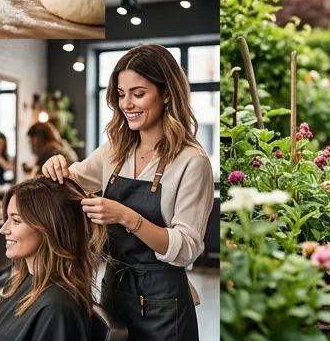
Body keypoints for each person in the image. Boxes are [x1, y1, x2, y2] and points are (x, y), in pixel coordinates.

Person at [43, 44, 212, 341]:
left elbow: (187, 247)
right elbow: (70, 185)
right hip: (114, 292)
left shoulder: (191, 161)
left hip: (164, 303)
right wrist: (55, 166)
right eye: (121, 95)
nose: (126, 104)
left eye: (138, 93)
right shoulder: (116, 150)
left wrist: (127, 217)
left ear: (167, 94)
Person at [0, 176, 101, 340]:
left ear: (49, 227)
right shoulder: (19, 283)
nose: (3, 229)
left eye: (16, 220)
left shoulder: (58, 308)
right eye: (7, 218)